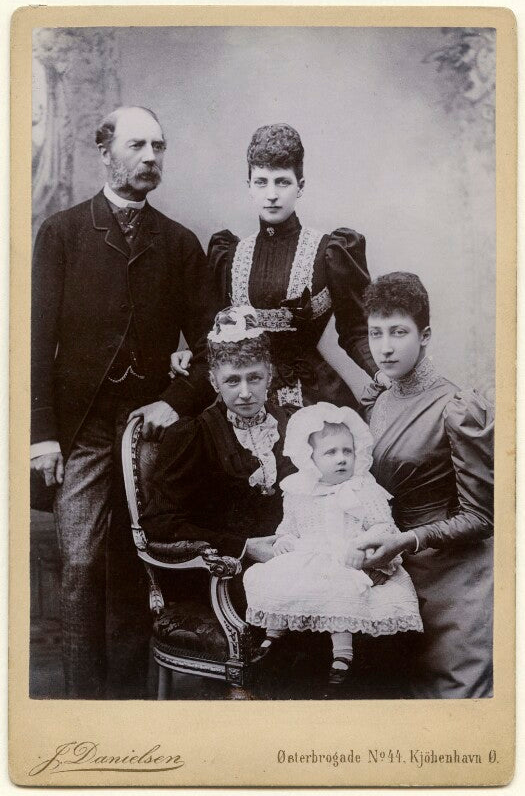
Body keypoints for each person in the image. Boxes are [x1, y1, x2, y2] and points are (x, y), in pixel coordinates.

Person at [30, 105, 214, 698]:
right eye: (138, 145)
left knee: (140, 563)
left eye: (159, 147)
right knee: (80, 567)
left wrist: (176, 399)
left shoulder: (181, 243)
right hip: (80, 424)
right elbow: (34, 340)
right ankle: (82, 710)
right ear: (104, 152)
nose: (151, 158)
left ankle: (133, 705)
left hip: (147, 429)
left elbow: (215, 341)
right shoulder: (61, 233)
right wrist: (41, 434)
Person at [171, 123, 378, 409]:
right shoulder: (229, 255)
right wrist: (189, 354)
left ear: (300, 187)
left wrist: (382, 372)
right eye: (261, 182)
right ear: (249, 187)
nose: (271, 194)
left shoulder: (329, 251)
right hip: (245, 397)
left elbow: (357, 330)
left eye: (282, 182)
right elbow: (213, 332)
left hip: (314, 393)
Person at [357, 271, 494, 698]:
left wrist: (408, 540)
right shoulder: (379, 402)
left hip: (454, 582)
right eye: (376, 333)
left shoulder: (456, 407)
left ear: (425, 335)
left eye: (399, 332)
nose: (385, 346)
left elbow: (481, 517)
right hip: (397, 577)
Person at [243, 402, 423, 687]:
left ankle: (342, 655)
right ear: (310, 458)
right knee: (278, 574)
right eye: (331, 452)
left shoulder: (365, 488)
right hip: (310, 555)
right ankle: (273, 635)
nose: (341, 459)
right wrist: (285, 542)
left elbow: (384, 526)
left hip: (349, 557)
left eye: (347, 451)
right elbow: (288, 528)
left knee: (340, 587)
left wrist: (362, 545)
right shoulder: (298, 491)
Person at [141, 306, 296, 564]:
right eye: (232, 381)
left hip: (294, 556)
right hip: (227, 568)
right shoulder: (195, 436)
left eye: (254, 378)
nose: (245, 392)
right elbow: (159, 523)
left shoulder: (291, 423)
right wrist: (243, 547)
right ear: (214, 382)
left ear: (269, 376)